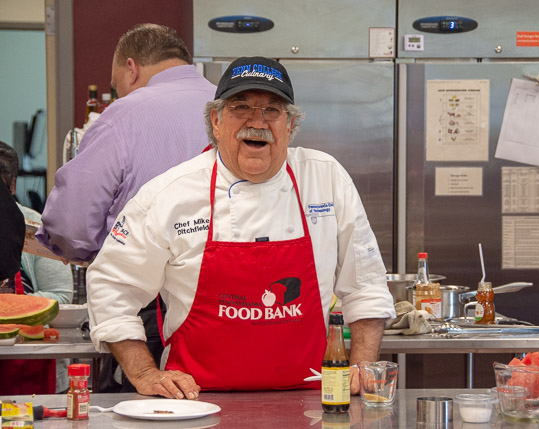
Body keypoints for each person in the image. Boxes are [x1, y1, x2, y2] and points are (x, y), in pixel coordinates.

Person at [87, 56, 396, 399]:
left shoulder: (325, 179)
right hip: (196, 402)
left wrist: (361, 365)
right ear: (216, 120)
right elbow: (112, 286)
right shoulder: (169, 193)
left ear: (290, 125)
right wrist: (144, 373)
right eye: (241, 107)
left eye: (272, 110)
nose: (257, 122)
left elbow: (366, 285)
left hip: (312, 401)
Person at [35, 23, 216, 391]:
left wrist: (86, 252)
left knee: (154, 403)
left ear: (131, 68)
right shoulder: (233, 107)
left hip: (149, 306)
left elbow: (70, 226)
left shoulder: (124, 113)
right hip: (238, 303)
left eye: (117, 85)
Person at [0, 141, 73, 394]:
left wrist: (15, 306)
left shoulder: (36, 228)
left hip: (31, 366)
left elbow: (61, 295)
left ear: (11, 186)